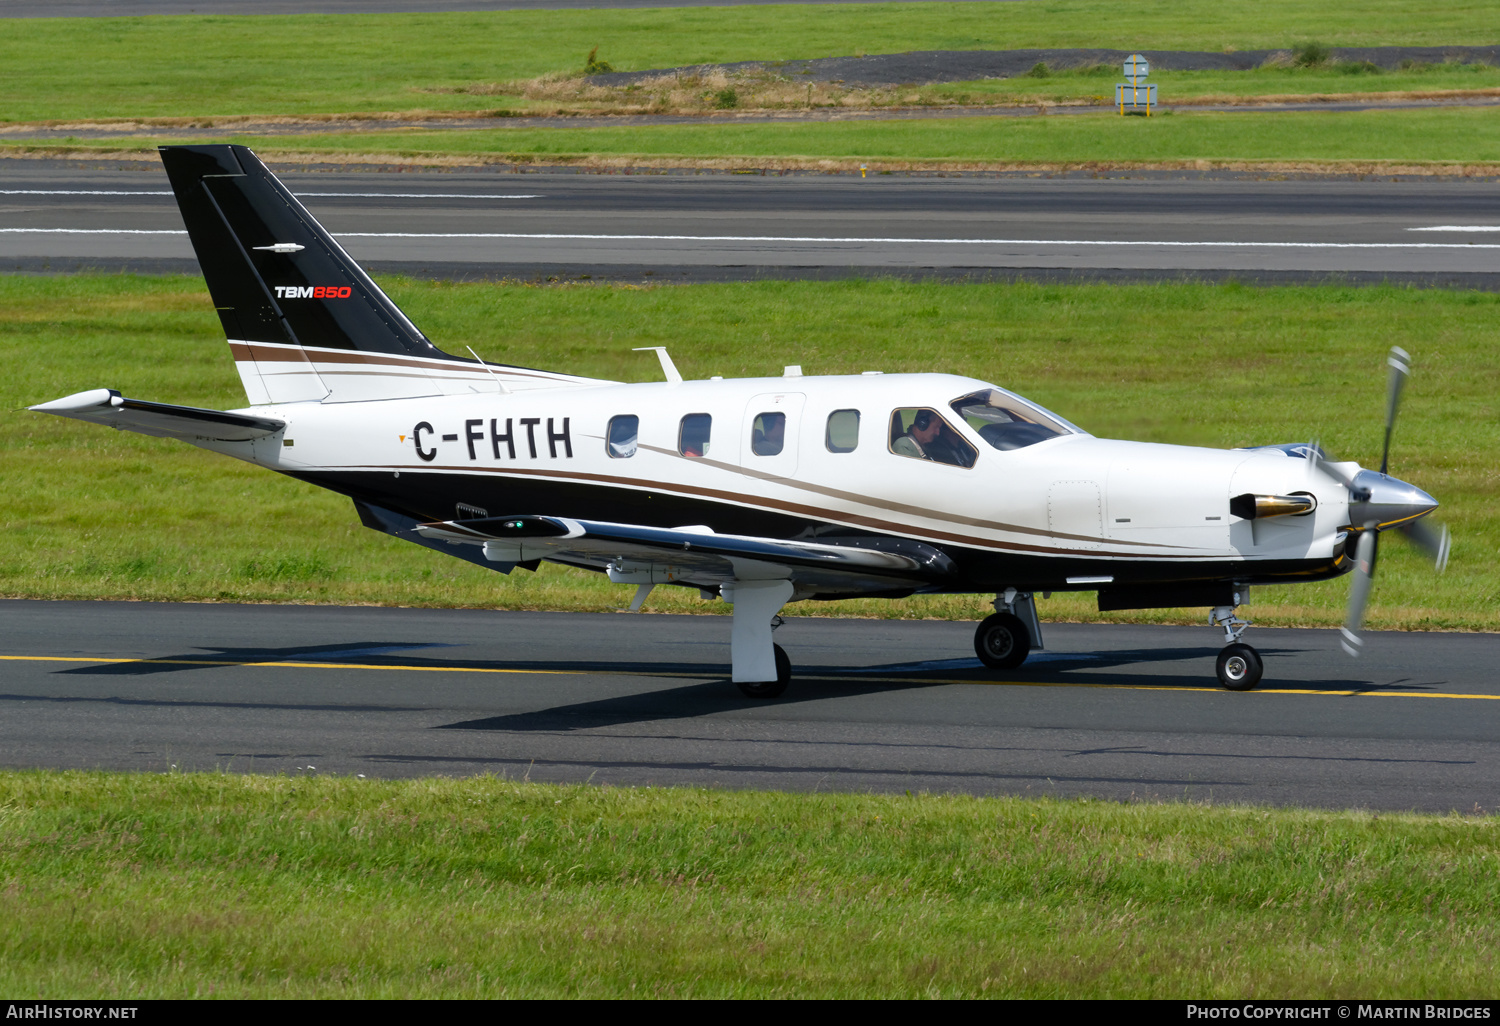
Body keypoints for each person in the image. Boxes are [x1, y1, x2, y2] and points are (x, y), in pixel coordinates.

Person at [893, 409, 971, 467]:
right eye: (936, 427)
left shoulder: (924, 448)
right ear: (922, 424)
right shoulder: (904, 446)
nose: (938, 432)